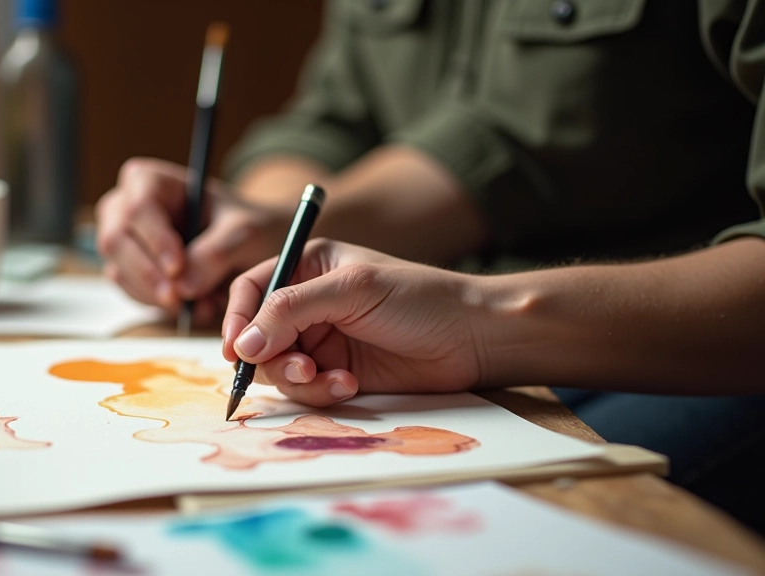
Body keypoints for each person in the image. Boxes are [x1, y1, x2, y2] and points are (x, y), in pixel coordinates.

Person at [97, 1, 765, 532]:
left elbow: (494, 153)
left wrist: (482, 324)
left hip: (671, 359)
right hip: (423, 344)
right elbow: (328, 124)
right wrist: (256, 230)